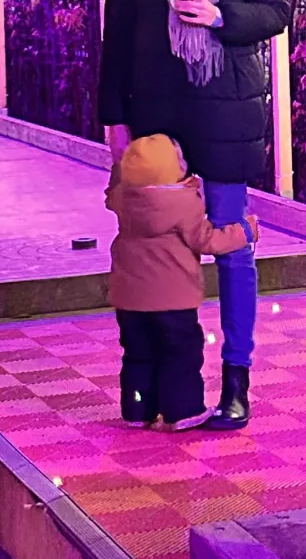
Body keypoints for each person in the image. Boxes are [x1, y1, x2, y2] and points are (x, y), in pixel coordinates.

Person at [98, 0, 291, 431]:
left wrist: (218, 16)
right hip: (156, 113)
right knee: (153, 249)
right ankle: (163, 385)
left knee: (231, 246)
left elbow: (276, 8)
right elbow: (118, 23)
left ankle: (237, 381)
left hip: (224, 108)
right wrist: (114, 114)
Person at [107, 133, 258, 430]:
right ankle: (182, 411)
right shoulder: (182, 202)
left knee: (138, 355)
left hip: (129, 302)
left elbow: (113, 187)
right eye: (179, 160)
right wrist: (244, 231)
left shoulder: (123, 199)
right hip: (174, 302)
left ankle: (138, 411)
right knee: (180, 354)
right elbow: (207, 240)